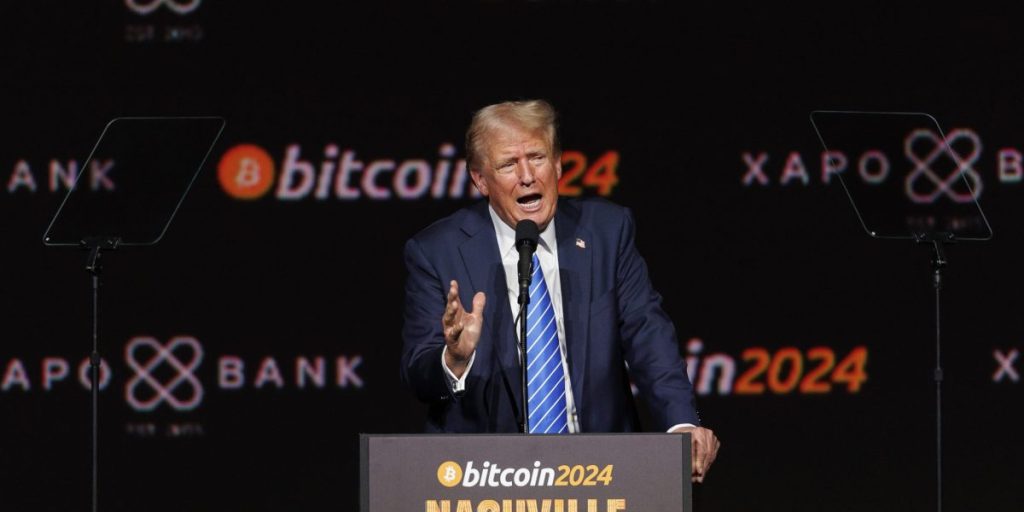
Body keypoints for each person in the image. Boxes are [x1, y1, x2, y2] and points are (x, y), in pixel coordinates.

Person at [401, 99, 719, 482]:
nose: (527, 176)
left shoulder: (606, 231)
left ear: (557, 165)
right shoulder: (437, 251)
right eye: (508, 165)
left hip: (600, 473)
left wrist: (681, 423)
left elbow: (649, 336)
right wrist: (454, 359)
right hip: (486, 478)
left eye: (537, 158)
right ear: (480, 180)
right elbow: (418, 373)